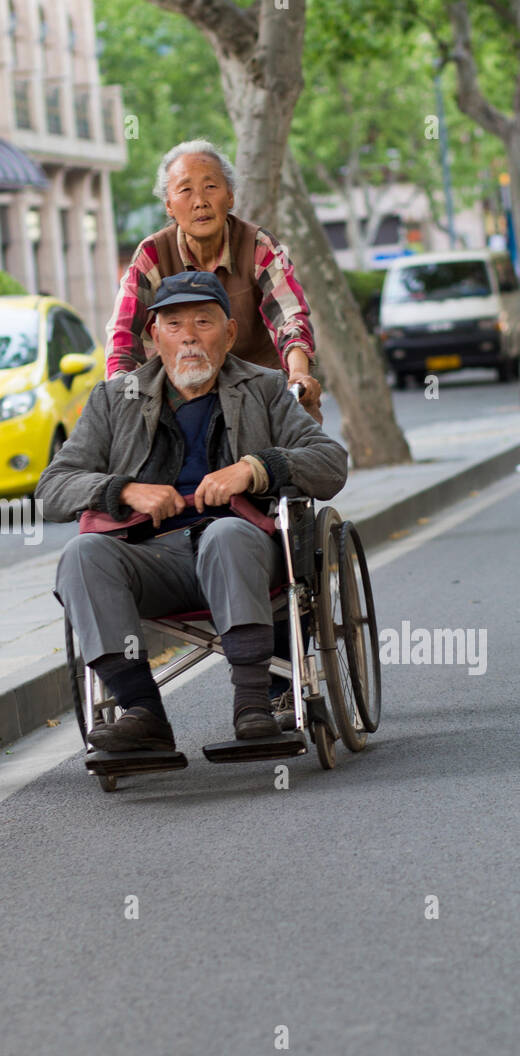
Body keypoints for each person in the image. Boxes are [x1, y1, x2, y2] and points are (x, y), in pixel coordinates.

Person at [36, 271, 347, 754]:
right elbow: (52, 489)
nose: (188, 336)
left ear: (229, 333)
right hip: (149, 557)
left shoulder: (264, 388)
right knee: (82, 554)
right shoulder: (114, 398)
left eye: (204, 321)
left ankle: (253, 705)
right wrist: (124, 491)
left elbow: (330, 464)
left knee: (225, 533)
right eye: (174, 323)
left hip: (242, 554)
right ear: (153, 337)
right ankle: (142, 712)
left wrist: (256, 468)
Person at [105, 139, 324, 423]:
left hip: (259, 394)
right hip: (179, 399)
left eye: (211, 187)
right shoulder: (152, 254)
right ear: (169, 205)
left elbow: (290, 317)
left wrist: (298, 374)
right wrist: (123, 396)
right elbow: (124, 335)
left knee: (305, 451)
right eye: (185, 190)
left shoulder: (258, 245)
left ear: (230, 197)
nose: (200, 201)